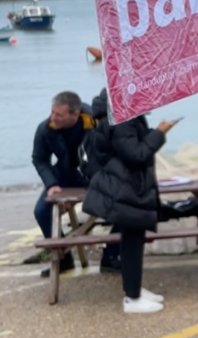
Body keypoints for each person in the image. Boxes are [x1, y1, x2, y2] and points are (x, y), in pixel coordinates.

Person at [82, 99, 176, 314]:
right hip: (125, 187)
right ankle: (132, 298)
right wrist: (159, 133)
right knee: (132, 242)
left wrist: (151, 132)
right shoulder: (122, 118)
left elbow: (129, 145)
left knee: (133, 240)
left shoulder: (122, 113)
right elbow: (135, 155)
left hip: (128, 186)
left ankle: (134, 289)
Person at [30, 91, 111, 278]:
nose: (53, 117)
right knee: (41, 211)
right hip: (66, 173)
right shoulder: (45, 128)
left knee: (122, 205)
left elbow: (112, 150)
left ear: (75, 114)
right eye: (52, 112)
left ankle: (112, 256)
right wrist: (52, 185)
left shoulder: (95, 120)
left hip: (95, 172)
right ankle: (63, 257)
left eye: (59, 115)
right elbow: (39, 160)